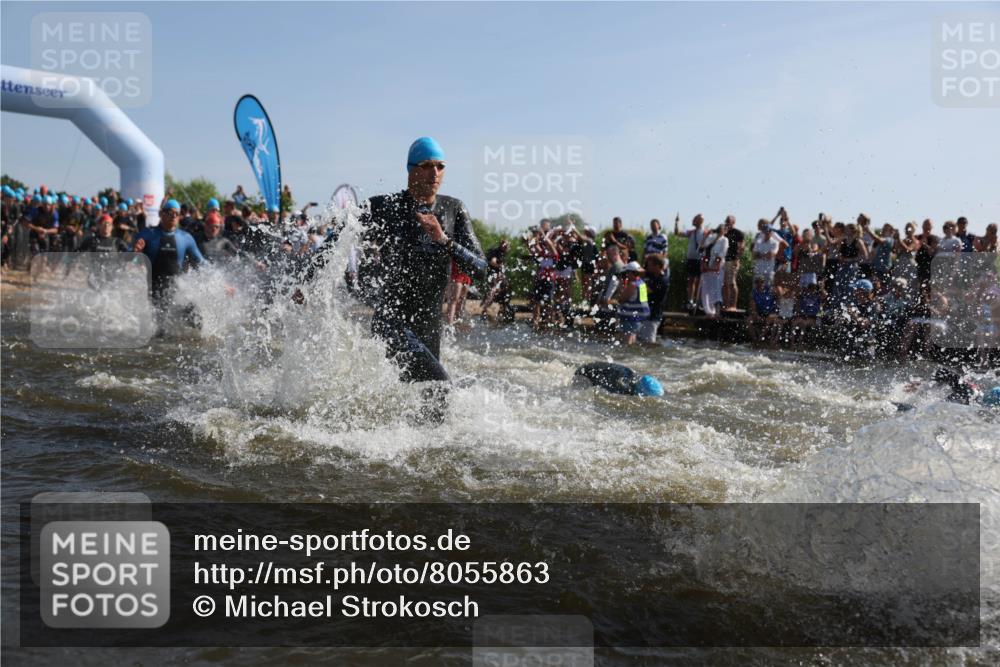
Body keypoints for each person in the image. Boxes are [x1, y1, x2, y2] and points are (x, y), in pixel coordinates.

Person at [351, 136, 485, 423]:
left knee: (431, 410)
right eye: (426, 166)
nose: (434, 173)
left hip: (429, 324)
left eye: (440, 166)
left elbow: (481, 268)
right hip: (392, 322)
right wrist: (307, 281)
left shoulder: (453, 209)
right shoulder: (385, 207)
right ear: (412, 170)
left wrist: (443, 240)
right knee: (440, 386)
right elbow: (339, 231)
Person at [132, 199, 205, 310]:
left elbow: (202, 263)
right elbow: (130, 261)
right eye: (170, 212)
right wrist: (135, 253)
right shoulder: (147, 235)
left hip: (178, 292)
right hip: (154, 293)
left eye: (177, 213)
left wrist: (221, 283)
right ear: (161, 214)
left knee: (196, 318)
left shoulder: (186, 238)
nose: (174, 216)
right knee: (160, 325)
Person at [573, 361, 664, 397]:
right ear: (642, 392)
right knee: (576, 395)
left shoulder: (635, 379)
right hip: (584, 374)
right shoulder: (623, 385)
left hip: (589, 368)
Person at [676, 213, 706, 312]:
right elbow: (678, 233)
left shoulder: (705, 232)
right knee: (691, 280)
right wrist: (677, 222)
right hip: (691, 259)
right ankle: (690, 300)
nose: (693, 221)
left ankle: (698, 301)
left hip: (700, 259)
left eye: (695, 219)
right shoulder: (691, 232)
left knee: (699, 281)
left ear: (700, 221)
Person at [615, 261, 650, 345]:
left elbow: (621, 299)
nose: (626, 275)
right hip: (639, 317)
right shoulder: (642, 283)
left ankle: (626, 357)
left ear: (631, 273)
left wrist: (621, 287)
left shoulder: (632, 285)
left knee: (626, 342)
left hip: (631, 317)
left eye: (627, 272)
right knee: (632, 339)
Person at [699, 224, 728, 318]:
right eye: (719, 229)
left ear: (725, 231)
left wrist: (714, 267)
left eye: (722, 229)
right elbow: (701, 247)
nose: (720, 231)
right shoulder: (711, 238)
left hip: (716, 267)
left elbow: (721, 254)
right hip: (706, 266)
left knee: (716, 288)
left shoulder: (724, 240)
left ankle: (717, 311)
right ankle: (708, 311)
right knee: (706, 289)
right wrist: (706, 235)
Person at [639, 253, 669, 344]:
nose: (647, 267)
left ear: (657, 266)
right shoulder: (651, 275)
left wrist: (639, 283)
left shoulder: (662, 280)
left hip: (653, 316)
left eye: (650, 265)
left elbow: (644, 293)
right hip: (645, 314)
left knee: (649, 343)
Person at [480, 239, 513, 321]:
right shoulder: (497, 252)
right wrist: (500, 266)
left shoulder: (503, 253)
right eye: (506, 246)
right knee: (493, 291)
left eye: (508, 246)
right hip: (493, 275)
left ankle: (501, 310)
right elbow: (492, 262)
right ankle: (484, 310)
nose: (507, 247)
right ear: (502, 245)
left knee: (504, 290)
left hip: (498, 275)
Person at [722, 215, 744, 310]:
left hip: (733, 260)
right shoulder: (724, 232)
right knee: (725, 283)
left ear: (733, 222)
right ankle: (726, 305)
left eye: (729, 221)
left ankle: (733, 305)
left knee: (732, 283)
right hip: (724, 261)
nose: (727, 223)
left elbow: (741, 247)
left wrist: (737, 259)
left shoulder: (738, 233)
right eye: (726, 221)